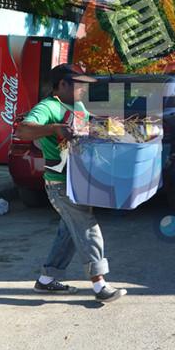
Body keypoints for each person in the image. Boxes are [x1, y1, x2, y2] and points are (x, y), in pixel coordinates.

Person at [15, 63, 126, 303]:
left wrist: (107, 125)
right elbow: (23, 130)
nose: (84, 90)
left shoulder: (77, 107)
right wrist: (53, 128)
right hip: (60, 183)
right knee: (87, 228)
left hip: (79, 180)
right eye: (79, 85)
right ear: (63, 84)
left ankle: (47, 279)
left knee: (69, 231)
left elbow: (85, 129)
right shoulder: (48, 107)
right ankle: (100, 285)